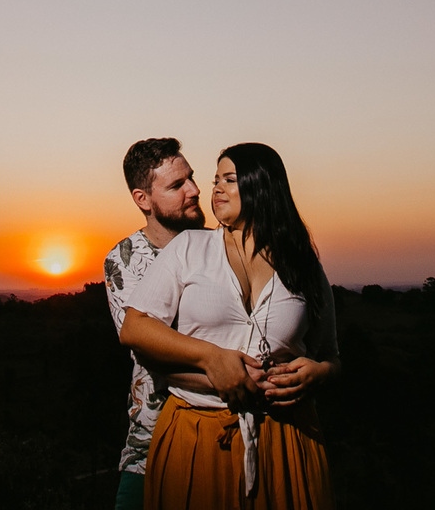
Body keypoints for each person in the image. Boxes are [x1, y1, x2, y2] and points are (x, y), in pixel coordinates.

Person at [120, 142, 340, 509]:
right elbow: (135, 329)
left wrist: (319, 373)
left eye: (230, 179)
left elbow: (331, 355)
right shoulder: (189, 247)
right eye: (216, 179)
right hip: (198, 433)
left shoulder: (302, 264)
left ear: (262, 185)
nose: (213, 189)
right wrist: (212, 359)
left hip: (288, 437)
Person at [102, 138, 208, 510]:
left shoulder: (221, 248)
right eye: (177, 185)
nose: (195, 191)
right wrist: (222, 369)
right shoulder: (124, 260)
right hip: (151, 444)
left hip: (223, 439)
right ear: (143, 199)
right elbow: (149, 349)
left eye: (191, 178)